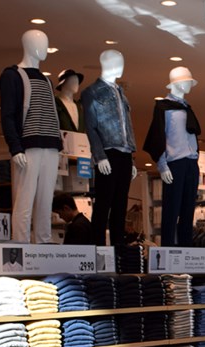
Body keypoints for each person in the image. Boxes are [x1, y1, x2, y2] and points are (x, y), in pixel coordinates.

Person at [0, 29, 62, 244]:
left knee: (46, 202)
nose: (44, 48)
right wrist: (15, 147)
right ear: (28, 45)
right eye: (41, 43)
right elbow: (7, 114)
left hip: (51, 145)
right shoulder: (12, 75)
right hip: (29, 145)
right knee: (24, 201)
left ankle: (43, 246)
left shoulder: (47, 81)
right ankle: (22, 248)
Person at [81, 50, 138, 246]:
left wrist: (132, 156)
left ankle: (118, 248)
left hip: (124, 152)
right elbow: (91, 126)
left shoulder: (120, 92)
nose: (121, 67)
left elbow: (127, 126)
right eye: (117, 62)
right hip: (108, 152)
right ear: (105, 63)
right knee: (104, 203)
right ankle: (97, 247)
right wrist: (99, 155)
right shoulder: (92, 92)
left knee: (121, 204)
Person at [144, 66, 201, 247]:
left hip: (192, 163)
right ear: (176, 84)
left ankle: (186, 250)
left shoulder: (187, 108)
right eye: (186, 81)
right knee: (171, 209)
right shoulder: (163, 107)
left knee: (188, 211)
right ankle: (168, 250)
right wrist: (163, 165)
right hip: (175, 162)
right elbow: (158, 136)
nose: (189, 85)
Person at [54, 68, 85, 133]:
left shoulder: (79, 107)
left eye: (77, 81)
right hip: (61, 141)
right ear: (63, 83)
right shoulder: (54, 103)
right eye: (72, 81)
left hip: (79, 141)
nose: (76, 84)